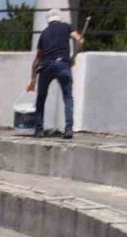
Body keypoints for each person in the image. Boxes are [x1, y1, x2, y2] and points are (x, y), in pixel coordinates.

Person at [27, 8, 83, 139]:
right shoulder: (66, 27)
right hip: (62, 64)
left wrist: (33, 78)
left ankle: (39, 130)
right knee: (68, 97)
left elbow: (37, 59)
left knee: (41, 98)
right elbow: (79, 40)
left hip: (46, 66)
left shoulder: (44, 33)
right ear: (60, 18)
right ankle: (68, 130)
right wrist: (73, 57)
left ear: (48, 21)